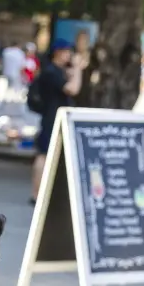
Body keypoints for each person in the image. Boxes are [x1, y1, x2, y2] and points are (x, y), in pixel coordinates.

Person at [32, 38, 83, 202]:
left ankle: (42, 192)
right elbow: (72, 89)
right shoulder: (51, 72)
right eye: (67, 52)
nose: (69, 55)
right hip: (52, 118)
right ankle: (37, 192)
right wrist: (78, 69)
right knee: (44, 154)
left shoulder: (56, 71)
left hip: (54, 116)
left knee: (47, 154)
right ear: (58, 53)